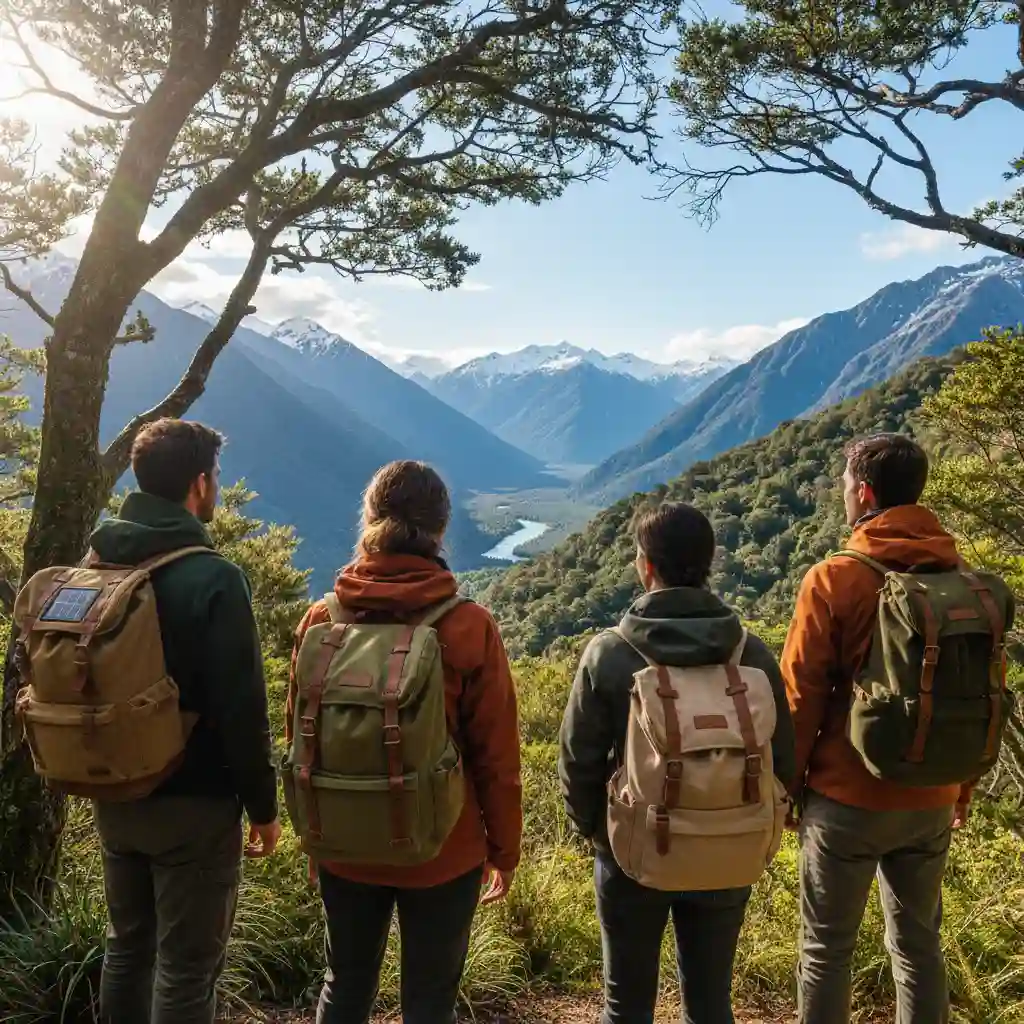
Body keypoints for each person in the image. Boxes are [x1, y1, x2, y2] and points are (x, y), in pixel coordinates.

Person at [287, 460, 522, 1024]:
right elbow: (496, 756)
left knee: (343, 985)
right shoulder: (467, 625)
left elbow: (300, 734)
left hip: (343, 838)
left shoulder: (323, 617)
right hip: (444, 844)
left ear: (368, 520)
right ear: (440, 531)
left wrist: (316, 833)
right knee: (430, 998)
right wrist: (503, 849)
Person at [558, 501, 796, 1024]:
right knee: (711, 1003)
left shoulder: (612, 653)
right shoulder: (749, 653)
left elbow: (579, 761)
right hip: (729, 846)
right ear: (709, 562)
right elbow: (786, 758)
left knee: (626, 1004)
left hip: (635, 849)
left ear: (646, 565)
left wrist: (601, 835)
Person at [89, 418, 281, 1024]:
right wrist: (264, 805)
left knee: (127, 950)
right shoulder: (213, 578)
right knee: (187, 968)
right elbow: (242, 708)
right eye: (216, 476)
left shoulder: (95, 560)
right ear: (199, 485)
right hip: (192, 802)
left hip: (111, 788)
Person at [782, 433, 972, 1024]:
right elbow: (971, 691)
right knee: (919, 950)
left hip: (847, 797)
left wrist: (787, 789)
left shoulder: (835, 578)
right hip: (934, 793)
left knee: (826, 950)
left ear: (862, 493)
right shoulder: (961, 577)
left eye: (844, 486)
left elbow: (800, 696)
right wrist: (960, 786)